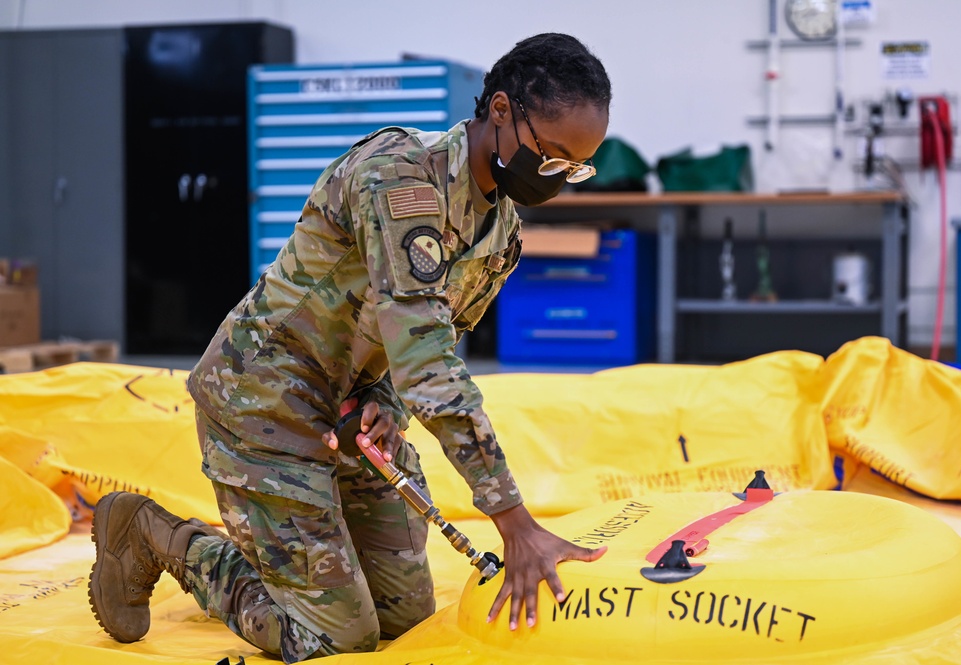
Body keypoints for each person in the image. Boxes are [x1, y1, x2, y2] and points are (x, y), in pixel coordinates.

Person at [89, 32, 612, 662]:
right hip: (263, 406)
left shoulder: (499, 232)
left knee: (405, 621)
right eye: (550, 156)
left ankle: (303, 550)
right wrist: (513, 520)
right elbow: (427, 357)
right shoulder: (398, 177)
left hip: (345, 413)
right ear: (500, 111)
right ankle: (156, 535)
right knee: (335, 639)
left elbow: (415, 349)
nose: (556, 178)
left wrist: (386, 402)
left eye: (573, 168)